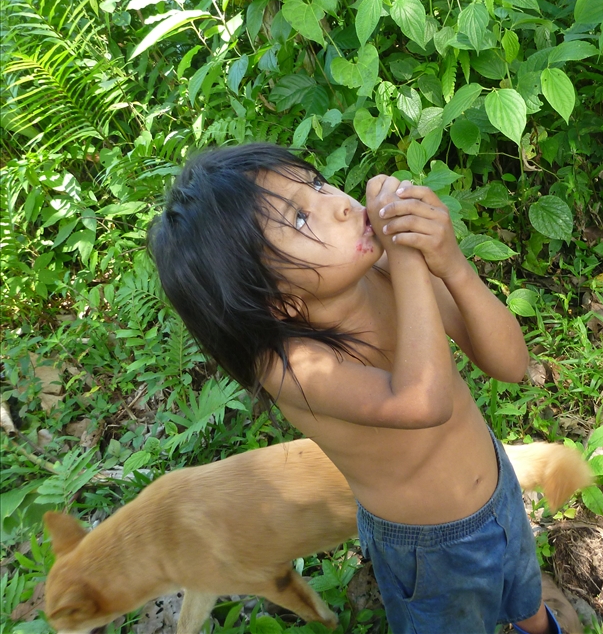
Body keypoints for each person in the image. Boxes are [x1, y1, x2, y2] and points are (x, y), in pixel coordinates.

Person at [148, 143, 579, 634]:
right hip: (428, 550)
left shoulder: (382, 271)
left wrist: (452, 263)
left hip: (497, 490)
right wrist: (409, 260)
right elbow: (423, 402)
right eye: (301, 219)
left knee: (521, 587)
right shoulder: (292, 366)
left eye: (316, 184)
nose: (337, 203)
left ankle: (535, 622)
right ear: (276, 301)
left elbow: (511, 364)